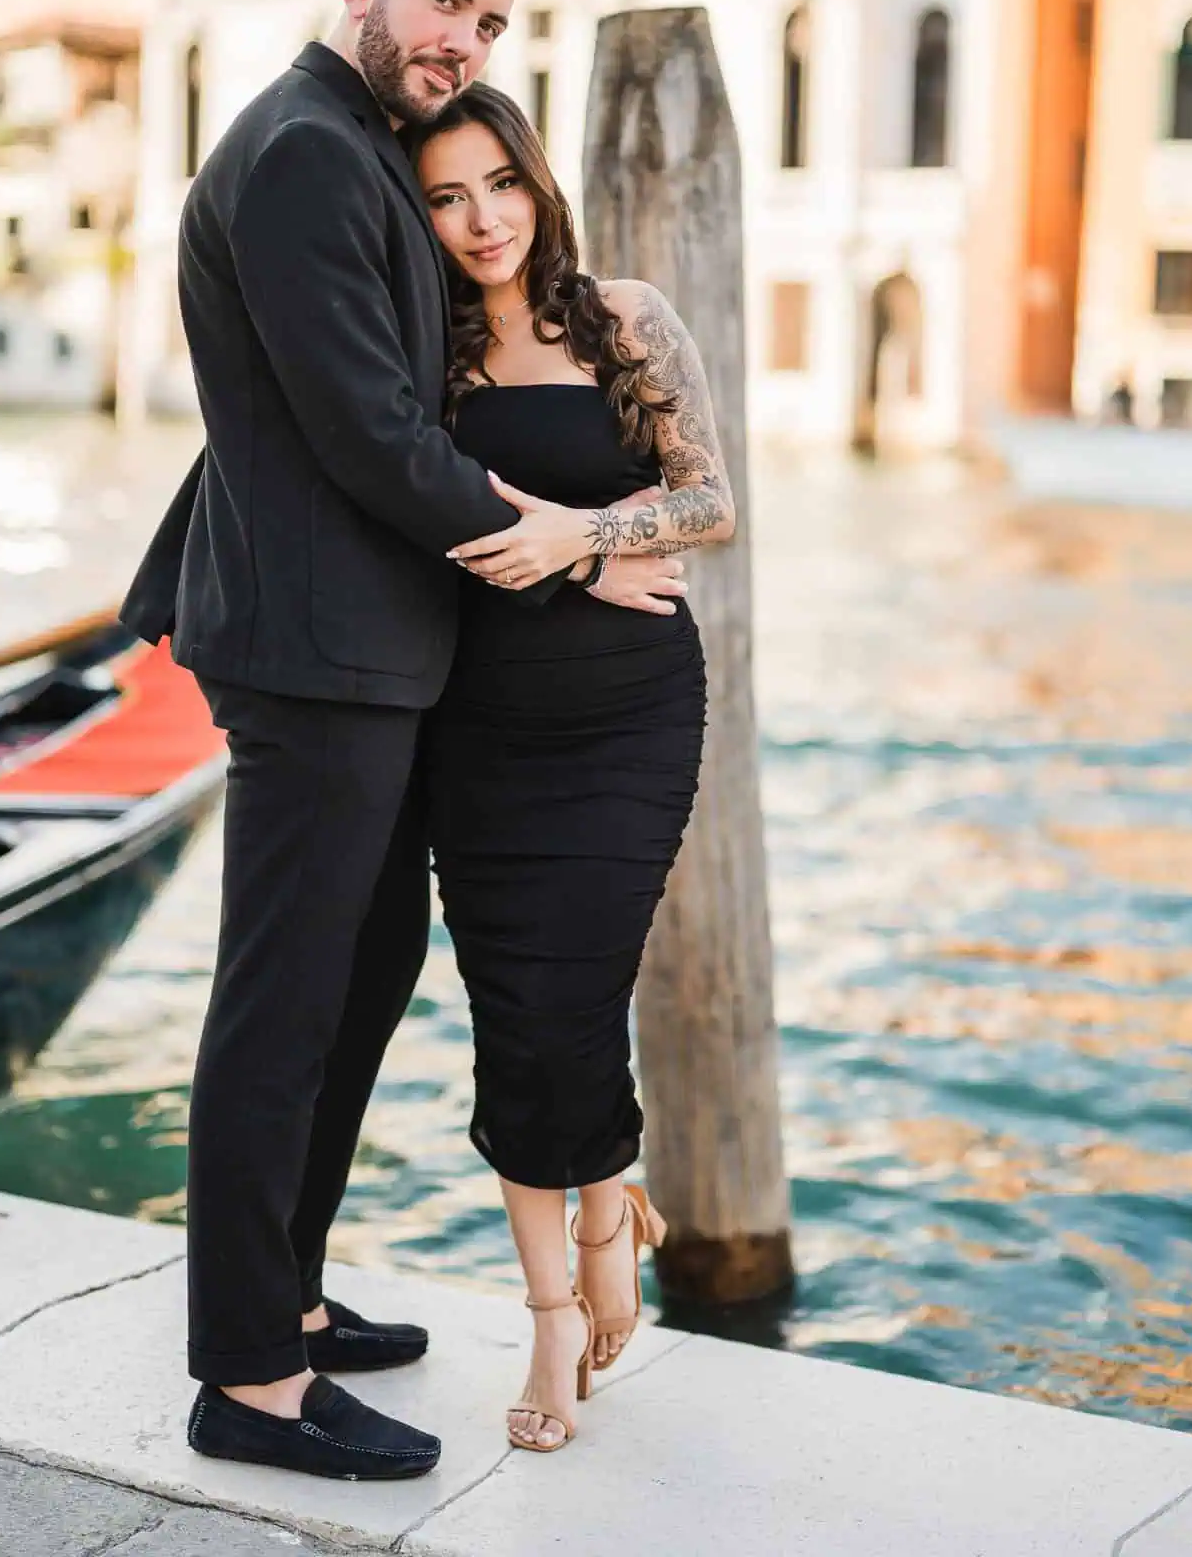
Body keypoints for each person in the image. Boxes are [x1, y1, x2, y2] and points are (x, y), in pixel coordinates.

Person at [119, 0, 685, 1483]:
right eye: (445, 1)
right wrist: (574, 555)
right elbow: (369, 430)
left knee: (355, 996)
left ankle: (286, 1301)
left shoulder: (351, 138)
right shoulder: (305, 148)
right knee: (282, 1010)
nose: (464, 40)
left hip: (368, 649)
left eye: (493, 24)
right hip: (320, 657)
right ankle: (247, 1381)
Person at [411, 83, 735, 1454]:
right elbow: (410, 530)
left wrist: (584, 537)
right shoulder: (419, 356)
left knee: (576, 983)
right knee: (516, 1007)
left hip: (630, 720)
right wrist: (555, 551)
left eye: (500, 183)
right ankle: (564, 1285)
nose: (482, 218)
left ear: (538, 182)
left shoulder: (625, 317)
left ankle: (609, 1215)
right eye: (444, 195)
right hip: (480, 726)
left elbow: (709, 500)